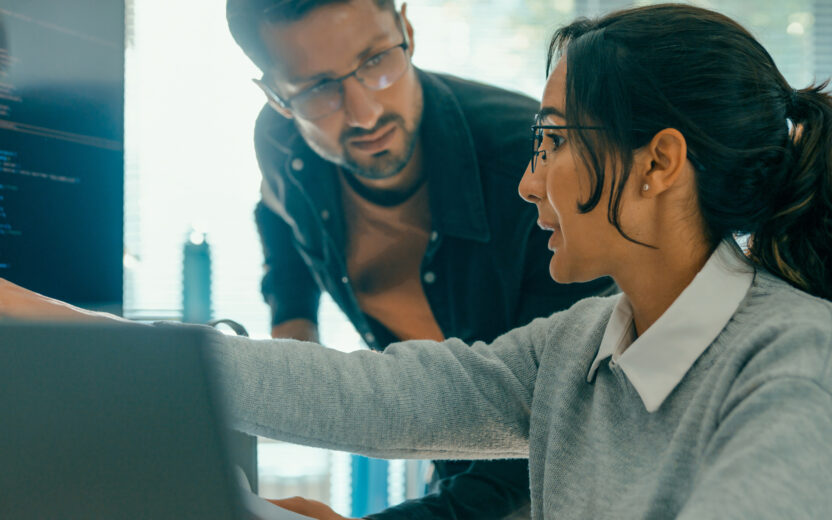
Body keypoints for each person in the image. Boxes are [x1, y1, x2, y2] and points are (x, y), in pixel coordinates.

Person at [3, 3, 832, 519]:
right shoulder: (580, 345)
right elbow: (367, 396)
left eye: (550, 144)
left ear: (656, 164)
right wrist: (40, 318)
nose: (526, 178)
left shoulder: (797, 364)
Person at [226, 0, 615, 518]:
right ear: (276, 97)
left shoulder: (533, 169)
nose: (364, 112)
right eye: (318, 88)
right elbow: (276, 210)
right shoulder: (280, 140)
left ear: (406, 28)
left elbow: (548, 430)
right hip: (441, 439)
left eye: (375, 61)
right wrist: (292, 317)